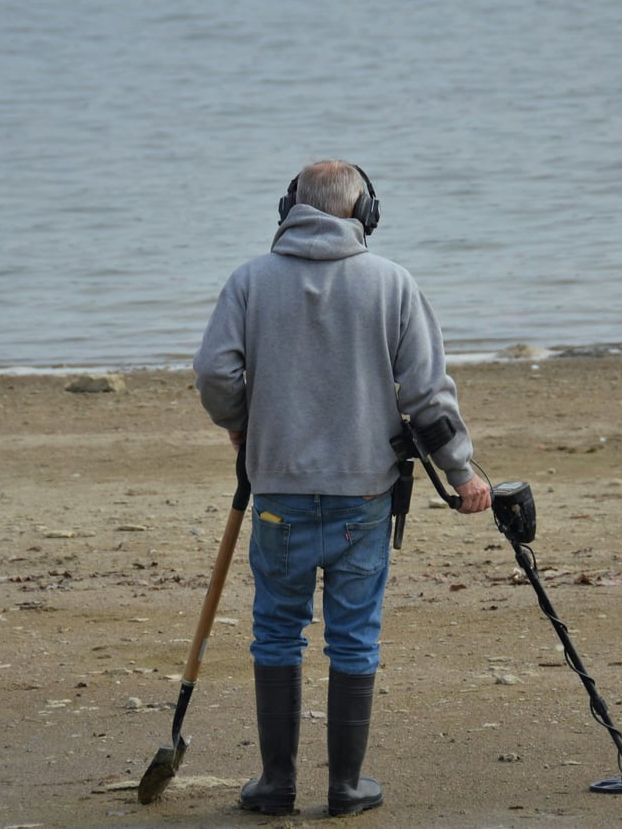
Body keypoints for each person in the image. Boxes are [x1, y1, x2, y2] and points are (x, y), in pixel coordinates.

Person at [193, 159, 491, 817]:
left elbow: (214, 373)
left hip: (279, 492)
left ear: (289, 210)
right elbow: (428, 396)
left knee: (277, 632)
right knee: (354, 637)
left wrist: (241, 423)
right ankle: (345, 788)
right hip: (364, 496)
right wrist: (463, 472)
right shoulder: (393, 282)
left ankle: (276, 785)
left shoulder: (250, 280)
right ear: (364, 213)